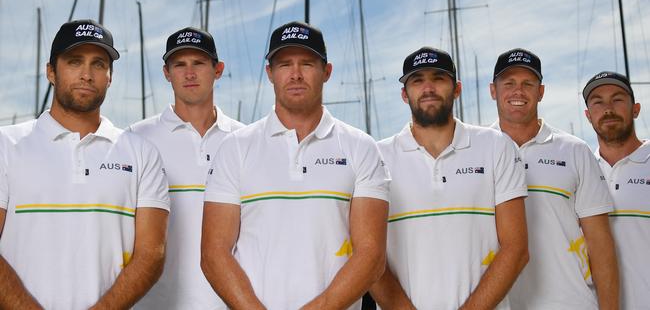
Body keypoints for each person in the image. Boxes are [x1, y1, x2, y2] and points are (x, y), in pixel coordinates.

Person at [200, 21, 390, 309]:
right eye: (285, 64)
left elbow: (372, 256)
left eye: (308, 64)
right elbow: (214, 253)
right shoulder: (235, 148)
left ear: (326, 72)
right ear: (270, 74)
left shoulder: (361, 147)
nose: (296, 74)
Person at [0, 19, 169, 309]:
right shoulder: (6, 145)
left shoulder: (141, 153)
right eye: (75, 62)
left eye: (99, 64)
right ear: (51, 71)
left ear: (110, 76)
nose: (87, 75)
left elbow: (152, 254)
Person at [370, 46, 528, 309]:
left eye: (439, 78)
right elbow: (368, 255)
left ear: (457, 89)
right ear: (404, 94)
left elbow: (517, 248)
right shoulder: (377, 156)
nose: (428, 88)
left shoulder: (496, 145)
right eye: (418, 81)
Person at [489, 49, 619, 309]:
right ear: (493, 90)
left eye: (528, 84)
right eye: (509, 84)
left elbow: (601, 244)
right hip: (499, 304)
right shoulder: (476, 151)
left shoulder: (574, 150)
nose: (518, 91)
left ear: (541, 92)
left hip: (569, 302)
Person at [129, 27, 244, 309]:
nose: (189, 73)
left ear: (218, 70)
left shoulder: (245, 140)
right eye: (179, 65)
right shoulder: (135, 139)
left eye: (199, 63)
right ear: (166, 73)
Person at [584, 71, 648, 310]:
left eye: (618, 99)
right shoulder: (583, 170)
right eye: (598, 102)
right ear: (588, 116)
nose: (608, 108)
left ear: (636, 109)